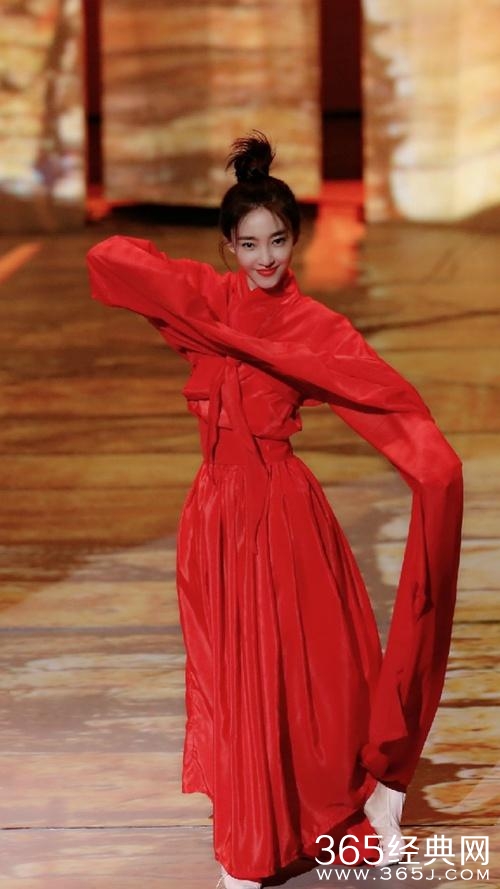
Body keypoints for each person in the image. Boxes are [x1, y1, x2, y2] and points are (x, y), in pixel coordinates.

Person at [86, 132, 464, 889]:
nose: (266, 258)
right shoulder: (207, 302)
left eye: (279, 241)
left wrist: (439, 479)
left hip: (284, 516)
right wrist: (216, 323)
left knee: (312, 677)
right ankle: (252, 826)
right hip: (215, 517)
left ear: (297, 241)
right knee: (237, 677)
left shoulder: (317, 328)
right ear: (228, 246)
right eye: (250, 243)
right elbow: (110, 260)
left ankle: (321, 812)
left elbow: (391, 407)